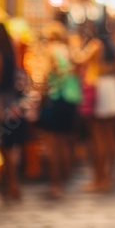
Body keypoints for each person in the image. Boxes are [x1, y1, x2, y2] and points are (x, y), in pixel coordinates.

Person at [37, 22, 82, 199]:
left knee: (52, 144)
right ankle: (66, 178)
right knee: (65, 142)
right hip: (70, 100)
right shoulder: (70, 51)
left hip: (56, 98)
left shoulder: (50, 51)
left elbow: (46, 76)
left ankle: (55, 182)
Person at [82, 25, 115, 193]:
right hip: (112, 89)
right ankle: (111, 174)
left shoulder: (95, 45)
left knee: (98, 137)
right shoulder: (112, 47)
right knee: (111, 135)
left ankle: (99, 177)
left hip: (99, 89)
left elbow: (79, 61)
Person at [0, 23, 29, 201]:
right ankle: (13, 185)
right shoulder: (11, 54)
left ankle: (12, 184)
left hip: (2, 103)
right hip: (11, 102)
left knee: (5, 145)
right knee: (10, 146)